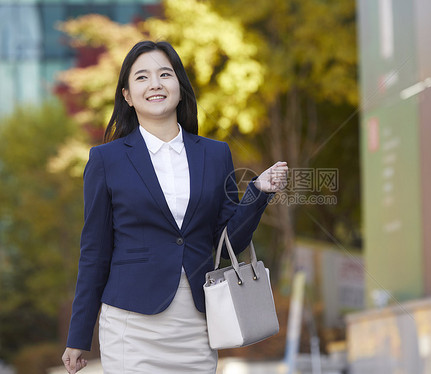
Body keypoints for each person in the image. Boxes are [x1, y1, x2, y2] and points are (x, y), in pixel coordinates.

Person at [61, 40, 288, 374]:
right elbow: (94, 251)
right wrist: (78, 336)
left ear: (180, 88)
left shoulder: (214, 154)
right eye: (142, 77)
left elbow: (229, 243)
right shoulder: (105, 160)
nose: (155, 83)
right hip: (131, 323)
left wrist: (258, 192)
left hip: (195, 322)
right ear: (127, 95)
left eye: (164, 74)